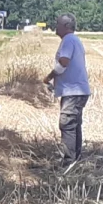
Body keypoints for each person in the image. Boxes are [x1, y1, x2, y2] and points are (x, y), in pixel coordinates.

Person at [44, 12, 91, 163]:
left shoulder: (68, 40)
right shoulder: (74, 40)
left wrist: (50, 77)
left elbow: (64, 62)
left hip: (73, 91)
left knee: (67, 123)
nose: (55, 27)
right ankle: (75, 159)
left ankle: (69, 162)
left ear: (65, 26)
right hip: (77, 91)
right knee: (74, 124)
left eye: (57, 24)